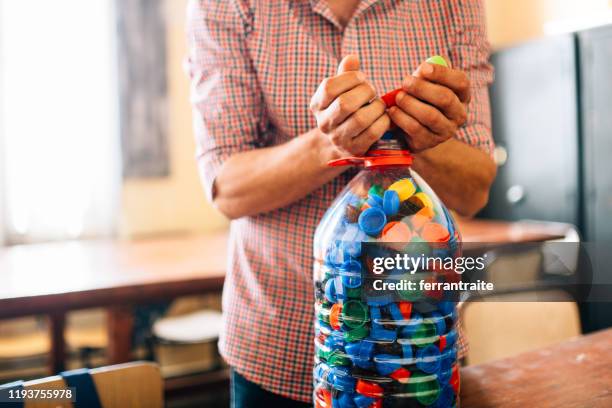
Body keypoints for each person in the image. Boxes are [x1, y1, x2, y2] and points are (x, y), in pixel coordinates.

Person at [186, 0, 496, 406]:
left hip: (418, 353)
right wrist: (329, 144)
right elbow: (227, 188)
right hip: (275, 350)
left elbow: (474, 191)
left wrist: (413, 138)